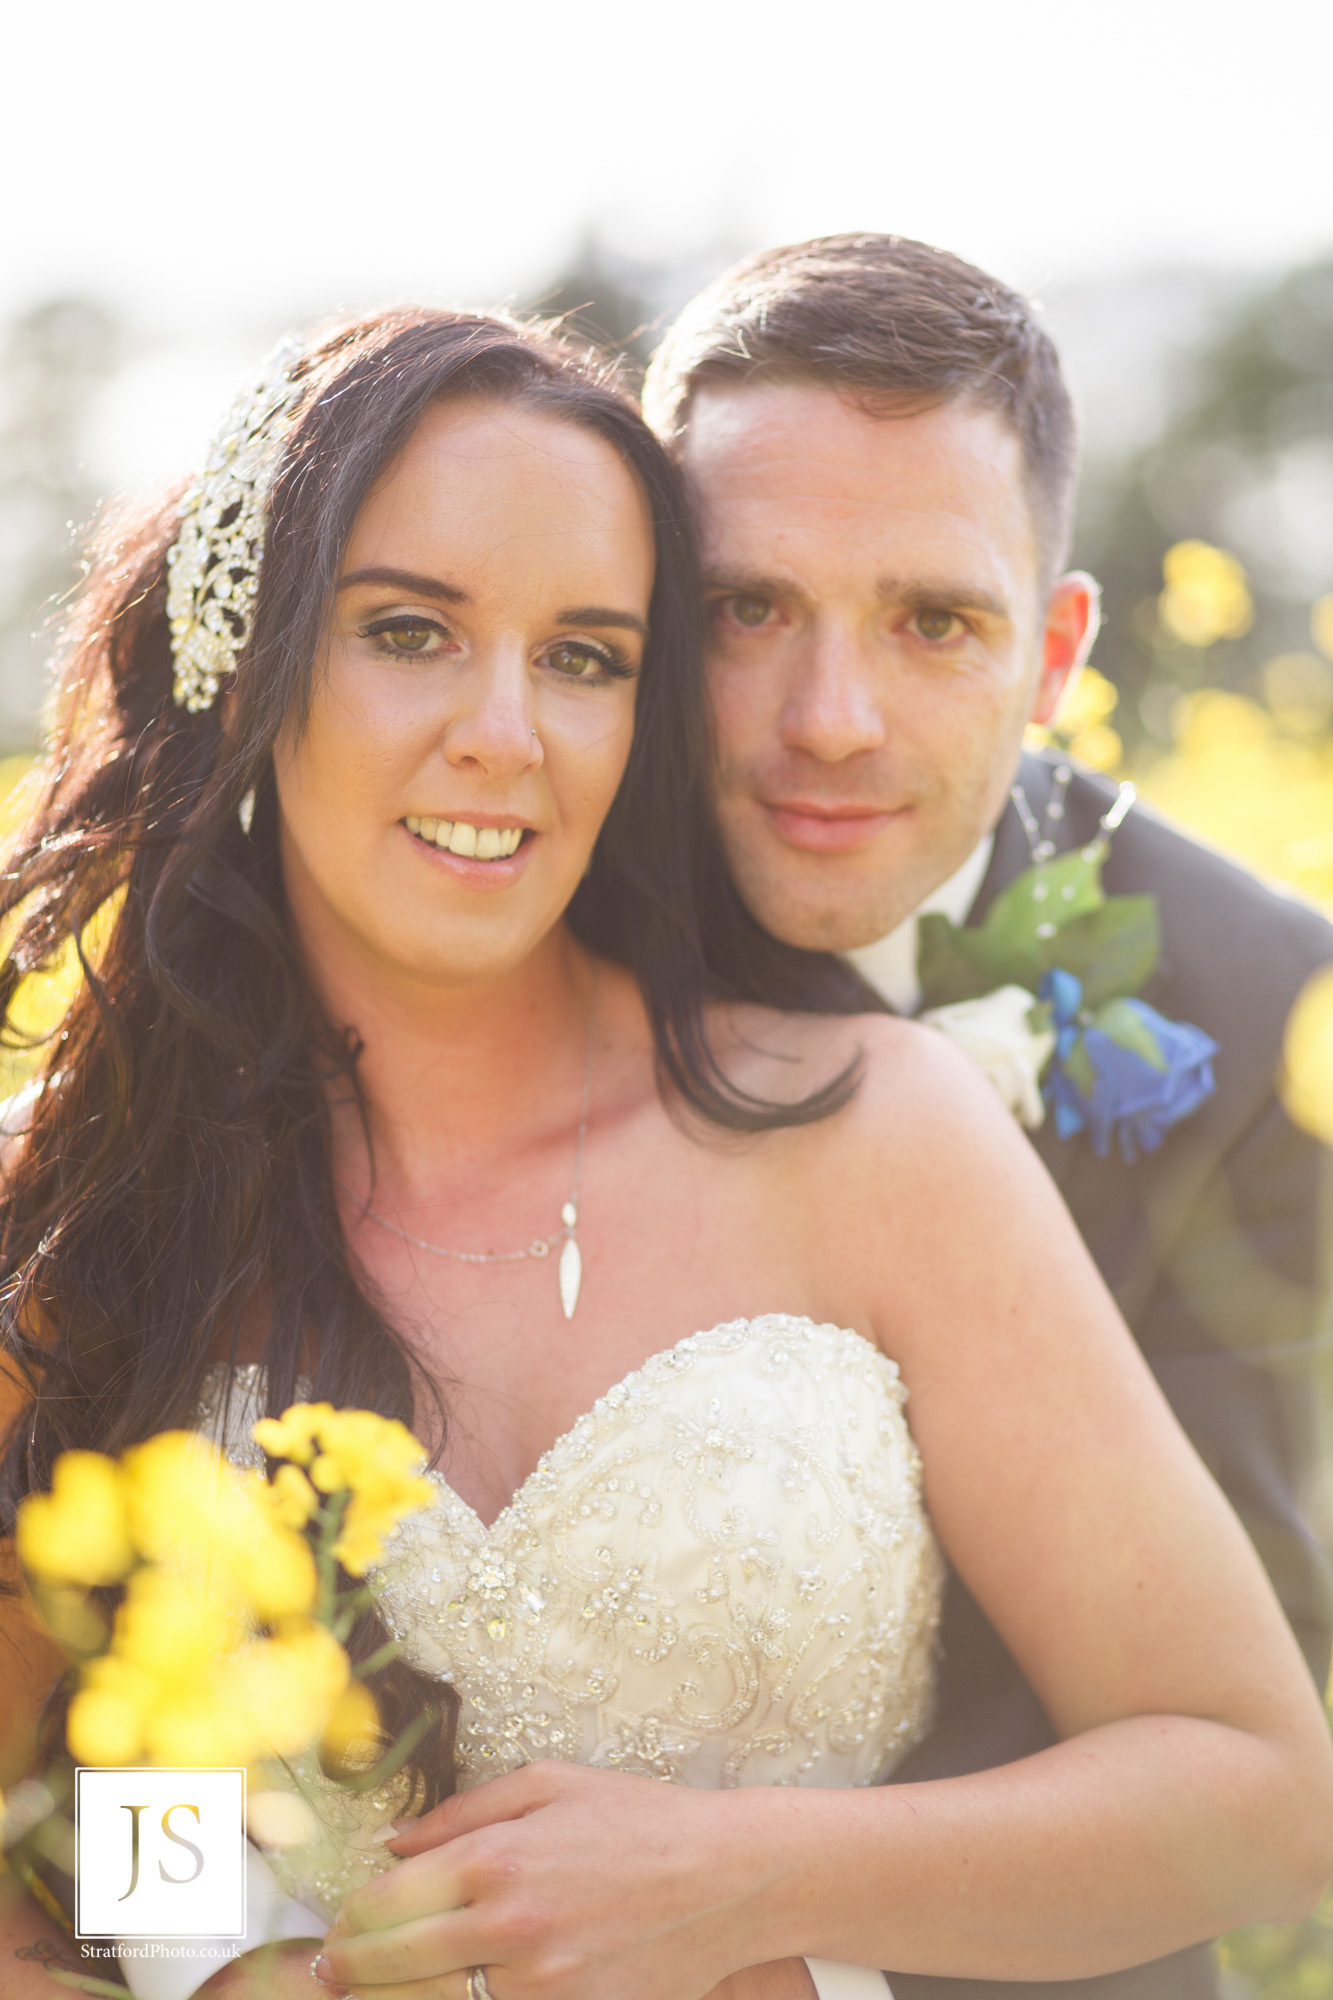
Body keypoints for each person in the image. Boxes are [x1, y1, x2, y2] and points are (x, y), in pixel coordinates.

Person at [0, 305, 1330, 2000]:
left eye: (586, 657)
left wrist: (735, 1880)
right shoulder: (69, 1209)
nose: (507, 733)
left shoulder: (871, 1129)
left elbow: (1260, 1795)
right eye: (409, 633)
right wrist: (220, 1959)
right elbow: (52, 1827)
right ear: (242, 661)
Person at [642, 232, 1333, 2000]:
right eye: (745, 609)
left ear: (1053, 654)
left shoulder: (1250, 1013)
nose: (831, 721)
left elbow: (1232, 1751)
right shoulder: (472, 918)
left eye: (932, 621)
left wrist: (734, 1912)